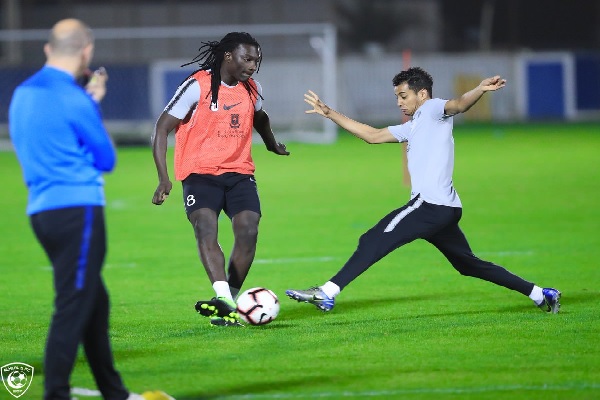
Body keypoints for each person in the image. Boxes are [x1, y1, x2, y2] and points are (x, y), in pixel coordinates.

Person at [286, 67, 561, 314]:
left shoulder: (432, 109)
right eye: (397, 96)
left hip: (429, 206)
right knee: (468, 265)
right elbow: (373, 135)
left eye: (403, 96)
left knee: (372, 239)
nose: (399, 102)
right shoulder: (414, 125)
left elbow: (458, 105)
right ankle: (540, 294)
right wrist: (329, 112)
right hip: (446, 209)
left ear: (422, 94)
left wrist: (478, 89)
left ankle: (327, 292)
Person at [9, 19, 173, 400]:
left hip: (42, 213)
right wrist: (91, 104)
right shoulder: (74, 98)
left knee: (94, 301)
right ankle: (56, 393)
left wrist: (86, 103)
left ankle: (114, 392)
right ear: (87, 52)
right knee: (73, 304)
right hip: (77, 210)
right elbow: (105, 158)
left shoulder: (23, 92)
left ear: (48, 49)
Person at [151, 32, 290, 327]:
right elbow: (162, 128)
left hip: (239, 173)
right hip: (199, 174)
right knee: (205, 227)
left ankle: (229, 300)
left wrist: (271, 143)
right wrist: (164, 178)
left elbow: (260, 117)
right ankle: (223, 296)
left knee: (248, 230)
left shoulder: (252, 88)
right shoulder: (197, 85)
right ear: (228, 56)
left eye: (256, 60)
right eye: (247, 58)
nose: (253, 65)